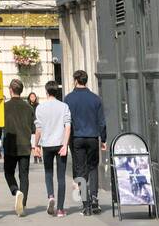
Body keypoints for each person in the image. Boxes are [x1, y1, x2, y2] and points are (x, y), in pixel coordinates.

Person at [65, 69, 107, 216]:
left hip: (77, 138)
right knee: (93, 167)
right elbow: (101, 121)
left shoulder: (68, 99)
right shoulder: (95, 99)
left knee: (80, 169)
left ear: (76, 80)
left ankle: (85, 204)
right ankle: (94, 198)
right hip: (92, 137)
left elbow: (67, 121)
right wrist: (104, 139)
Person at [33, 80, 72, 216]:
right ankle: (60, 209)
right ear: (57, 91)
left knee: (48, 173)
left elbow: (38, 129)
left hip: (47, 145)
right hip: (60, 144)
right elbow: (68, 126)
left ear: (46, 91)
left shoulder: (40, 108)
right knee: (61, 177)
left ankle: (50, 196)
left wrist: (35, 145)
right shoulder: (64, 107)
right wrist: (65, 145)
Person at [3, 79, 35, 216]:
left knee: (8, 172)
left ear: (11, 90)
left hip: (10, 145)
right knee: (24, 176)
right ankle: (23, 204)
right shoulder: (29, 107)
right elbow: (33, 128)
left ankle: (16, 191)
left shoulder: (4, 107)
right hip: (25, 145)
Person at [27, 92, 41, 163]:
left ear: (35, 98)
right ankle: (35, 157)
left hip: (38, 126)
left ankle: (39, 156)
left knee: (38, 143)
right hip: (31, 127)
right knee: (33, 144)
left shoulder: (38, 106)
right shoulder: (27, 106)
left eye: (34, 96)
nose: (32, 98)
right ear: (29, 98)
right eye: (31, 97)